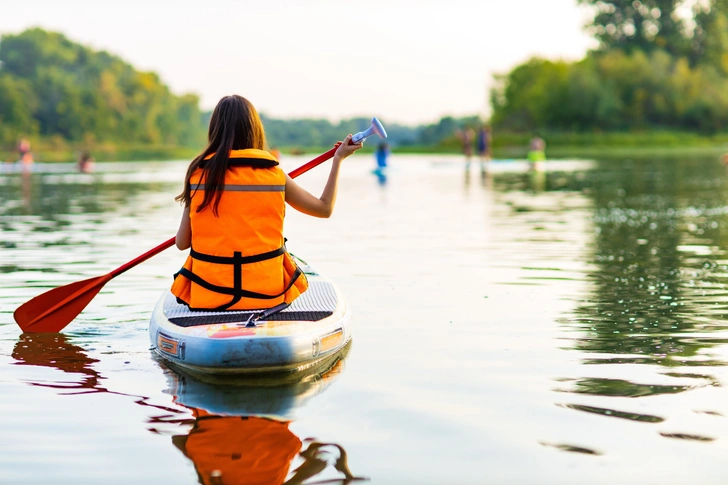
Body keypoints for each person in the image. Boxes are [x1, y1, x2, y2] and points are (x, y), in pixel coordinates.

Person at [172, 95, 363, 311]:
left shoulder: (198, 175)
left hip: (209, 296)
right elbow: (324, 209)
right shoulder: (275, 175)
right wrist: (338, 160)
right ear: (254, 129)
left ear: (215, 130)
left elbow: (181, 243)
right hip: (267, 296)